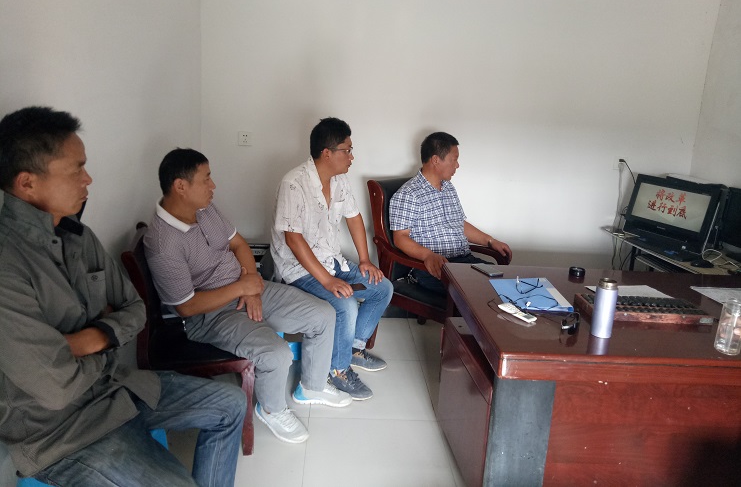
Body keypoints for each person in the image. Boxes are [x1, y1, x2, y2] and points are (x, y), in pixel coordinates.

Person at [0, 107, 246, 487]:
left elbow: (135, 309)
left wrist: (87, 341)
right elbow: (56, 388)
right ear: (27, 183)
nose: (89, 178)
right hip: (64, 432)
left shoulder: (78, 237)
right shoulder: (8, 265)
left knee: (231, 404)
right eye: (76, 170)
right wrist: (110, 339)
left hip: (119, 387)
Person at [144, 148, 350, 446]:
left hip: (247, 285)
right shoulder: (162, 242)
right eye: (206, 179)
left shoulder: (203, 209)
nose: (213, 185)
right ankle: (271, 409)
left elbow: (240, 245)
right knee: (276, 353)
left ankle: (312, 387)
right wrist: (244, 288)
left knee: (323, 314)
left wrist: (250, 286)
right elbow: (187, 306)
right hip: (210, 314)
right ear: (181, 186)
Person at [271, 117, 393, 401]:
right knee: (345, 305)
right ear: (327, 153)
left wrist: (365, 260)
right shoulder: (293, 184)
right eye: (347, 150)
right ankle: (337, 371)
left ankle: (352, 349)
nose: (352, 156)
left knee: (382, 288)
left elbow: (354, 217)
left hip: (332, 261)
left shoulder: (339, 180)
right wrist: (327, 281)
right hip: (298, 269)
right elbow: (293, 240)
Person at [389, 131, 512, 295]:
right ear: (436, 160)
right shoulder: (408, 194)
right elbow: (400, 238)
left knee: (506, 283)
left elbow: (459, 223)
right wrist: (428, 255)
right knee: (483, 292)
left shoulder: (448, 187)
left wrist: (490, 240)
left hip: (465, 261)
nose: (457, 165)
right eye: (454, 159)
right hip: (433, 268)